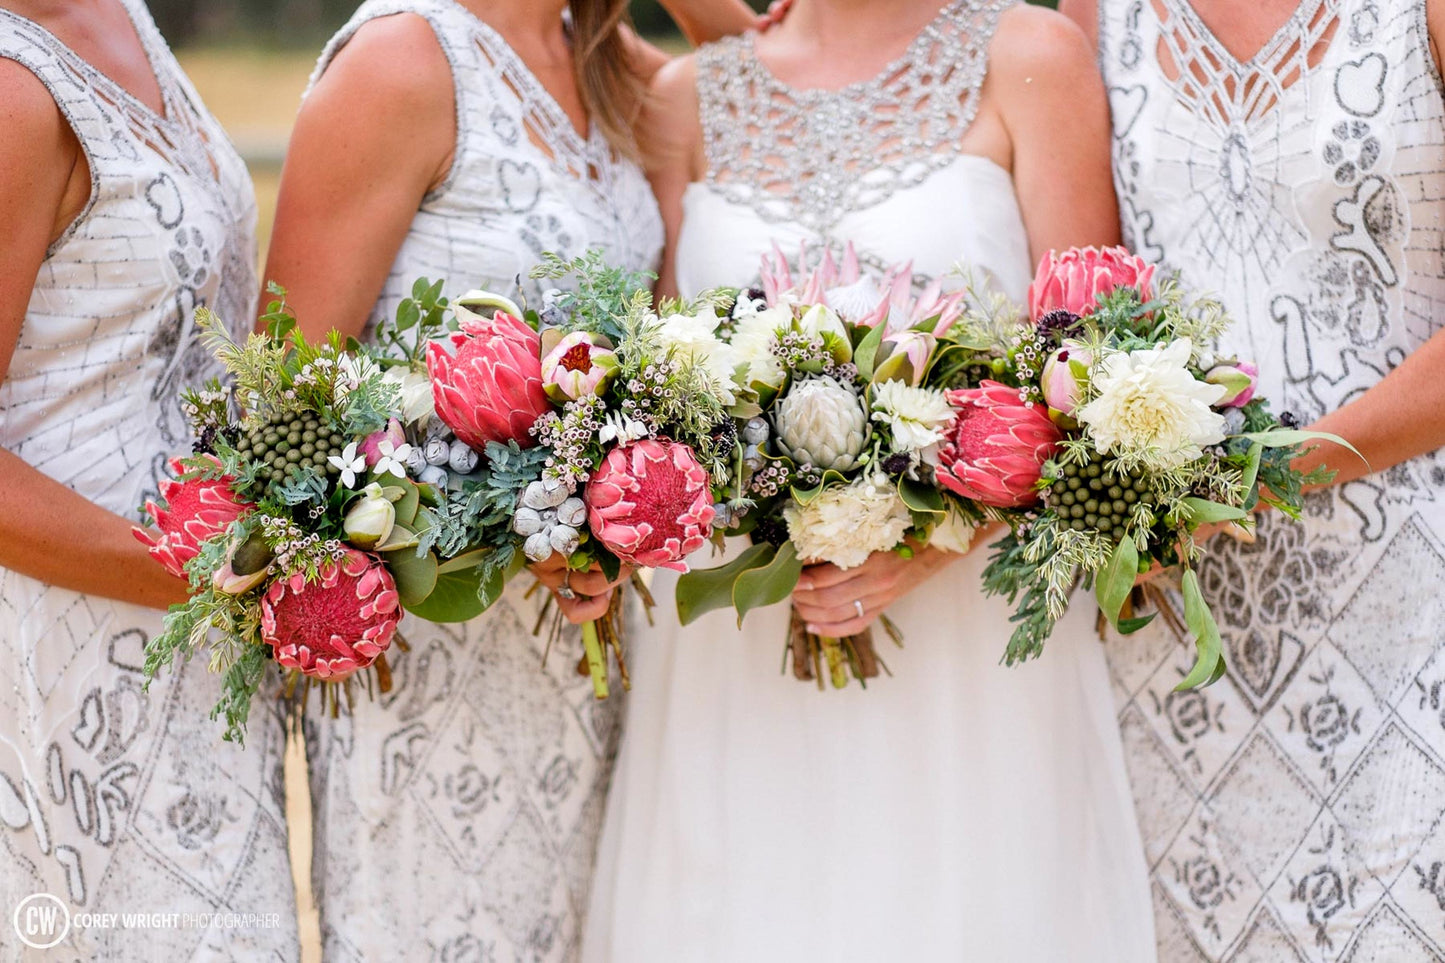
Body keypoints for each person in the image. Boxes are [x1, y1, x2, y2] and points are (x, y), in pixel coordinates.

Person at [582, 2, 1156, 960]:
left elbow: (1093, 381)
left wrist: (936, 538)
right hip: (734, 649)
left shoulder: (1029, 58)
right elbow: (661, 389)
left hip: (967, 653)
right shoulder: (687, 100)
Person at [261, 1, 765, 958]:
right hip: (430, 655)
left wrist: (603, 521)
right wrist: (497, 511)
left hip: (593, 660)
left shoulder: (604, 54)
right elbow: (287, 407)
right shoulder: (402, 62)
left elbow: (793, 97)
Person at [1059, 0, 1445, 956]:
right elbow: (1077, 316)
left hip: (1412, 605)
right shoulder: (1094, 13)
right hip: (1174, 640)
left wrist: (1257, 474)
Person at [0, 0, 299, 958]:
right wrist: (200, 573)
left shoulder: (119, 14)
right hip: (69, 646)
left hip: (198, 632)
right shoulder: (14, 89)